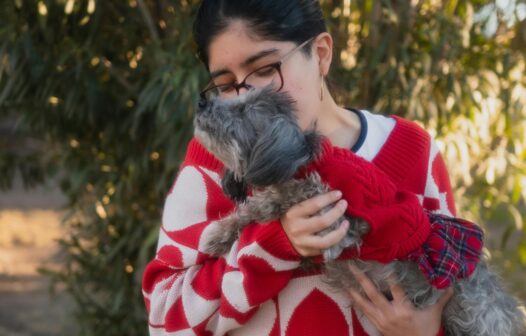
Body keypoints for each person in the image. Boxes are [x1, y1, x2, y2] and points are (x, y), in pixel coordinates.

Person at [142, 1, 460, 335]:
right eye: (226, 85)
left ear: (321, 54)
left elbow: (461, 295)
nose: (245, 97)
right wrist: (270, 247)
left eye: (265, 69)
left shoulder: (410, 149)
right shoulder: (218, 164)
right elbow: (165, 319)